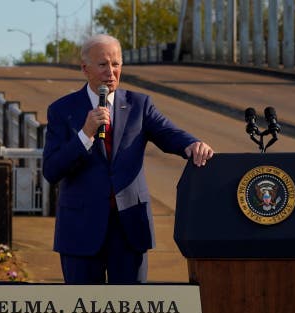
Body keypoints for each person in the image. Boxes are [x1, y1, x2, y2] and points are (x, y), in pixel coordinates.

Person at [42, 34, 214, 284]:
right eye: (102, 64)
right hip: (80, 229)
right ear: (85, 69)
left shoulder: (139, 105)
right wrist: (84, 135)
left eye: (116, 64)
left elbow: (168, 133)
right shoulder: (61, 110)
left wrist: (192, 145)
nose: (110, 72)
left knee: (132, 307)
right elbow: (51, 170)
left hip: (129, 227)